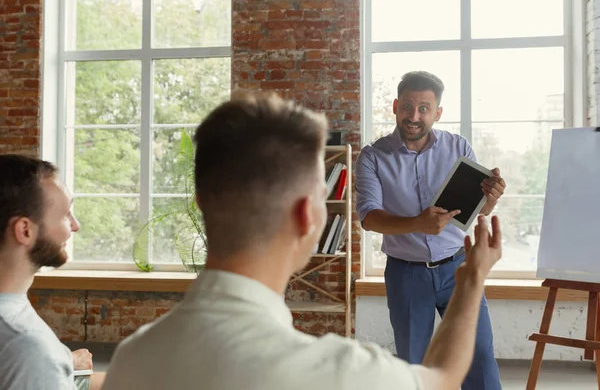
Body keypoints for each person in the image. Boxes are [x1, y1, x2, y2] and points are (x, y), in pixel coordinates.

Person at [104, 93, 504, 390]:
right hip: (412, 271)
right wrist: (474, 279)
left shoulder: (131, 358)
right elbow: (440, 378)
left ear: (201, 204)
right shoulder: (346, 373)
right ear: (308, 216)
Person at [355, 71, 507, 389]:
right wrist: (416, 224)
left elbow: (475, 210)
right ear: (395, 106)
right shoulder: (372, 156)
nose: (414, 116)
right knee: (414, 365)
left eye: (424, 108)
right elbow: (368, 217)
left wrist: (489, 201)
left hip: (458, 269)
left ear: (438, 113)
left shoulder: (458, 147)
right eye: (407, 106)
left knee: (479, 357)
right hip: (406, 275)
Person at [0, 154, 105, 390]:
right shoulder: (27, 346)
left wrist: (64, 361)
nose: (75, 226)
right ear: (25, 230)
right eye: (65, 214)